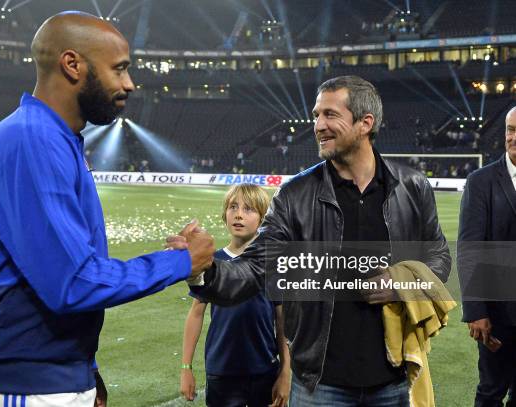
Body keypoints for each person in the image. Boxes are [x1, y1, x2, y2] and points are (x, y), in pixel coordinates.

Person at [0, 11, 214, 406]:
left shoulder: (55, 137)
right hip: (22, 380)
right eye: (120, 69)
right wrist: (181, 262)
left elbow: (51, 270)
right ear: (72, 65)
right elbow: (73, 283)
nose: (130, 82)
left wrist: (86, 370)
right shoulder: (33, 139)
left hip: (48, 370)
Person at [173, 75, 451, 406]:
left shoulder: (412, 187)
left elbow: (439, 259)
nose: (318, 125)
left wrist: (404, 283)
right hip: (320, 385)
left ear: (365, 123)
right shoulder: (295, 195)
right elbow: (254, 267)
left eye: (330, 115)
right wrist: (204, 271)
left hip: (392, 379)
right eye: (316, 115)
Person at [180, 184, 291, 407]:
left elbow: (282, 321)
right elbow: (196, 314)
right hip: (222, 371)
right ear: (225, 213)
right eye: (233, 207)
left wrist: (285, 371)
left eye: (249, 209)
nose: (239, 214)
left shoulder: (272, 263)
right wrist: (186, 368)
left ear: (263, 219)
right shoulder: (211, 262)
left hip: (264, 370)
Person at [458, 106, 516, 407]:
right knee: (491, 391)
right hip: (498, 313)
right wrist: (476, 310)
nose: (513, 137)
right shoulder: (482, 181)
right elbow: (470, 248)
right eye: (510, 129)